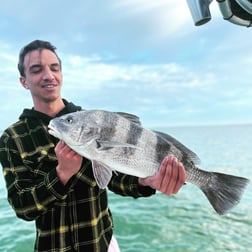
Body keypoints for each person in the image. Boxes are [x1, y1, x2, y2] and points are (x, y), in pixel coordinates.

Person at [0, 40, 186, 252]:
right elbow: (23, 207)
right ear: (24, 81)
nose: (48, 75)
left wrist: (146, 181)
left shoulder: (93, 122)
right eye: (36, 70)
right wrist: (61, 174)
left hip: (102, 244)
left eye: (54, 68)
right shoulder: (12, 138)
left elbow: (117, 180)